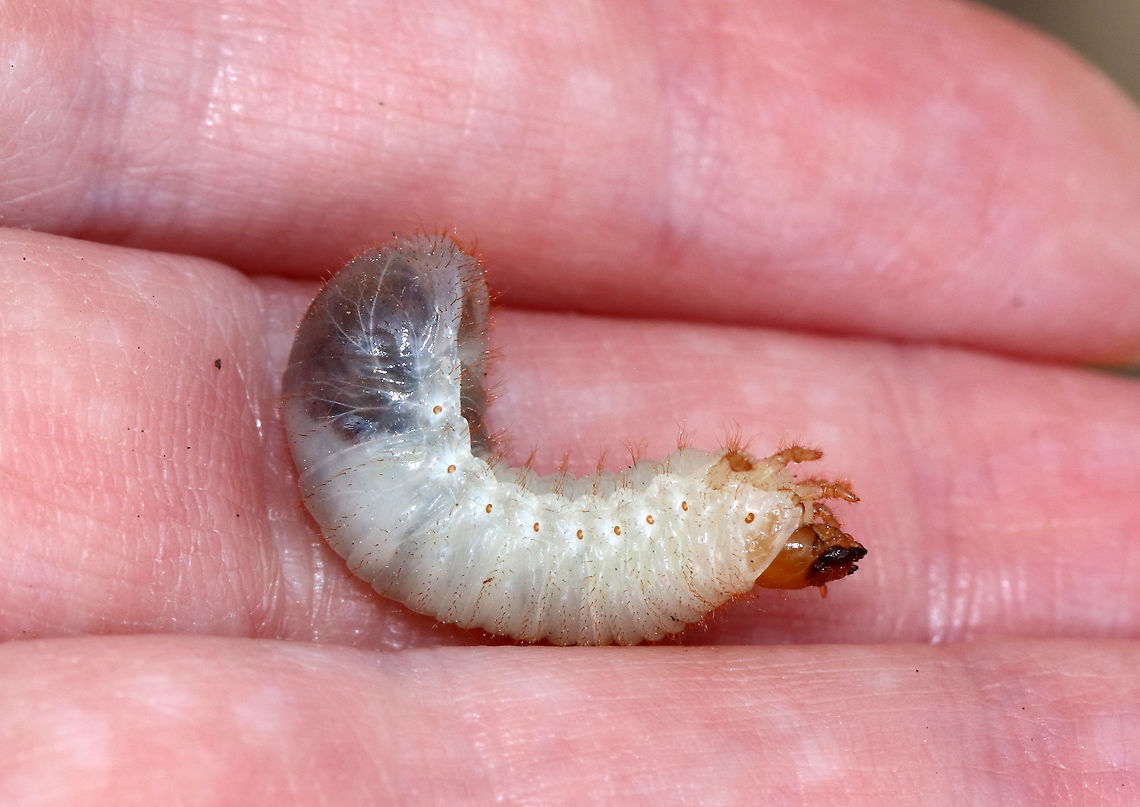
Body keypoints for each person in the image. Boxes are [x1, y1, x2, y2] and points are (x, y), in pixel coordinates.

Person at [1, 1, 1137, 802]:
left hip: (404, 461)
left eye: (783, 525)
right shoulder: (596, 529)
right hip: (403, 460)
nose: (810, 522)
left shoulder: (542, 519)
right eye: (786, 519)